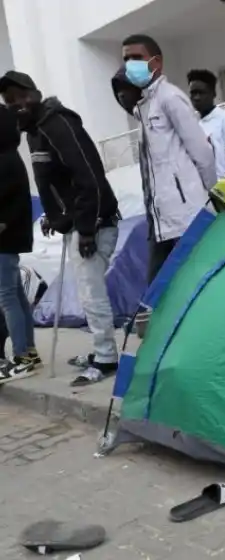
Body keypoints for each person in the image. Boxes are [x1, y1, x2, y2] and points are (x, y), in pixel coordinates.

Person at [0, 71, 121, 386]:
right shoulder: (35, 132)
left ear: (36, 93)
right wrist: (54, 217)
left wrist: (88, 227)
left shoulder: (58, 124)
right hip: (78, 223)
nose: (16, 105)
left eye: (21, 96)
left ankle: (106, 358)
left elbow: (88, 175)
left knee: (92, 294)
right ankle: (99, 351)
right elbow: (56, 182)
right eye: (9, 101)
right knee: (86, 291)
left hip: (95, 222)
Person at [121, 34, 216, 284]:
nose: (130, 64)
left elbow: (202, 152)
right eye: (126, 59)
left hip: (187, 212)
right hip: (160, 216)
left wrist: (211, 193)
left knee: (195, 279)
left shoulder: (170, 98)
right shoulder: (145, 106)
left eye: (136, 58)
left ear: (156, 63)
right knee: (160, 286)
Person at [0, 104, 41, 380]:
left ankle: (21, 356)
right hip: (12, 238)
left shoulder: (5, 161)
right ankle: (29, 353)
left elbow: (9, 203)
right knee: (16, 296)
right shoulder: (11, 157)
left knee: (7, 298)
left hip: (5, 239)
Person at [187, 69, 225, 179]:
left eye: (201, 92)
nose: (196, 97)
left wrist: (221, 192)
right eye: (193, 93)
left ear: (213, 94)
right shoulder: (192, 124)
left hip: (221, 191)